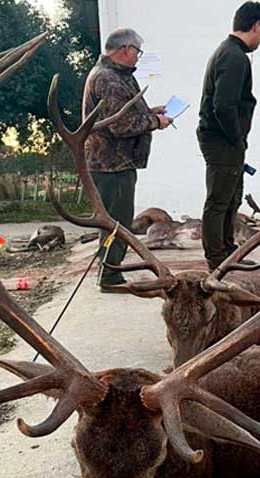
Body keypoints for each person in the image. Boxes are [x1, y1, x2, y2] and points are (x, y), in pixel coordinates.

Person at [83, 28, 173, 289]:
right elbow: (120, 125)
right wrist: (155, 122)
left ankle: (110, 271)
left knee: (114, 221)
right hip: (112, 165)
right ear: (125, 49)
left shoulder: (115, 75)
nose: (138, 57)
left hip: (115, 163)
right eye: (137, 51)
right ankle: (109, 275)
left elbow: (122, 113)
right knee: (116, 224)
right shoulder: (108, 79)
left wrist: (150, 111)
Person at [197, 2, 260, 271]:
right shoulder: (234, 56)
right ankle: (217, 258)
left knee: (231, 198)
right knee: (219, 200)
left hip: (224, 139)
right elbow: (223, 105)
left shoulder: (229, 52)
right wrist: (236, 137)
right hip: (222, 140)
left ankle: (228, 252)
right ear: (255, 26)